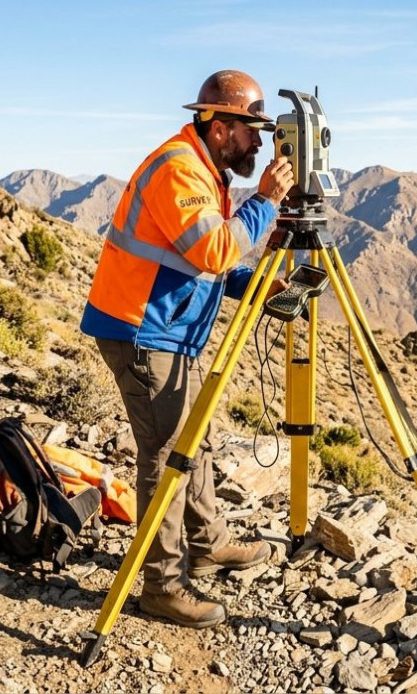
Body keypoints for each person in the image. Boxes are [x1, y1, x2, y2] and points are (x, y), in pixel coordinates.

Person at [80, 70, 295, 629]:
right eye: (254, 131)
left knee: (190, 438)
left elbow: (191, 264)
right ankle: (162, 585)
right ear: (221, 126)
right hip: (140, 332)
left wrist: (254, 284)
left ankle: (207, 542)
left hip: (170, 330)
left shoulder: (208, 169)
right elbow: (214, 249)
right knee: (167, 455)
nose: (261, 144)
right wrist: (267, 201)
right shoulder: (179, 168)